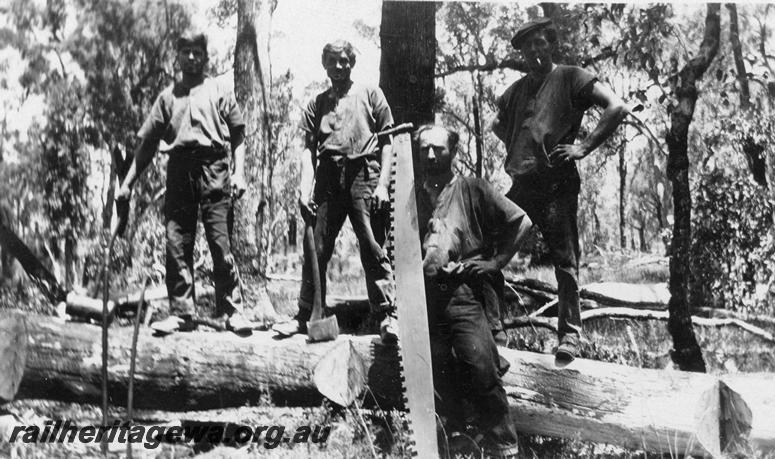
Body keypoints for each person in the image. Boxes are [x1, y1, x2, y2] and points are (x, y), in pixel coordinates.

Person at [492, 17, 629, 361]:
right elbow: (497, 122)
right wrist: (520, 147)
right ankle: (493, 328)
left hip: (556, 183)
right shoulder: (517, 90)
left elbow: (617, 106)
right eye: (528, 46)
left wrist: (582, 148)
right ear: (521, 53)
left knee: (565, 263)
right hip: (522, 185)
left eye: (540, 43)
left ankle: (570, 337)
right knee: (489, 250)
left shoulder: (570, 76)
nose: (534, 51)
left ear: (550, 44)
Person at [116, 31, 257, 335]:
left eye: (197, 52)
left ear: (205, 57)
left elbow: (238, 136)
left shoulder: (220, 90)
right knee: (176, 242)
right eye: (186, 52)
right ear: (177, 57)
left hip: (214, 168)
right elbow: (147, 146)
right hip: (179, 170)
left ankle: (232, 310)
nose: (192, 58)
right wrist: (127, 183)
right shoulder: (167, 98)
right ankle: (182, 313)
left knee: (220, 243)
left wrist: (239, 173)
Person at [418, 125, 531, 459]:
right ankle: (451, 444)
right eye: (424, 148)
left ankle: (506, 447)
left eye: (437, 149)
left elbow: (520, 222)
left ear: (453, 152)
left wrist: (495, 263)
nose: (429, 155)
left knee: (481, 366)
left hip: (463, 294)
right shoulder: (414, 196)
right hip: (425, 298)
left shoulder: (473, 189)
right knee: (434, 371)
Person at [272, 40, 397, 342]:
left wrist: (382, 186)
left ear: (352, 63)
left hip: (363, 175)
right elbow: (306, 150)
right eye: (333, 61)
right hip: (327, 181)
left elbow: (389, 142)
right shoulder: (317, 103)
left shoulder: (370, 94)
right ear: (324, 64)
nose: (339, 66)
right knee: (316, 249)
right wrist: (304, 191)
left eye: (344, 61)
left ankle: (387, 315)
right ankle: (306, 316)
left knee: (371, 245)